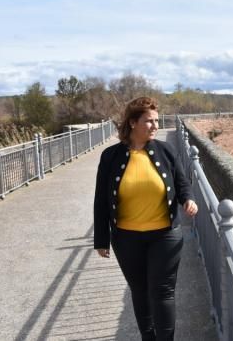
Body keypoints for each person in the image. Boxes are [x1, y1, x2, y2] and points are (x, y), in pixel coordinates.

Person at [93, 97, 198, 341]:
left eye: (156, 121)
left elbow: (182, 183)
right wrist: (101, 239)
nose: (155, 126)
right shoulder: (110, 156)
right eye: (149, 121)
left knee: (162, 292)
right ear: (132, 123)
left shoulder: (166, 150)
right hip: (126, 238)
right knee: (139, 292)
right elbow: (101, 200)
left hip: (165, 235)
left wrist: (188, 199)